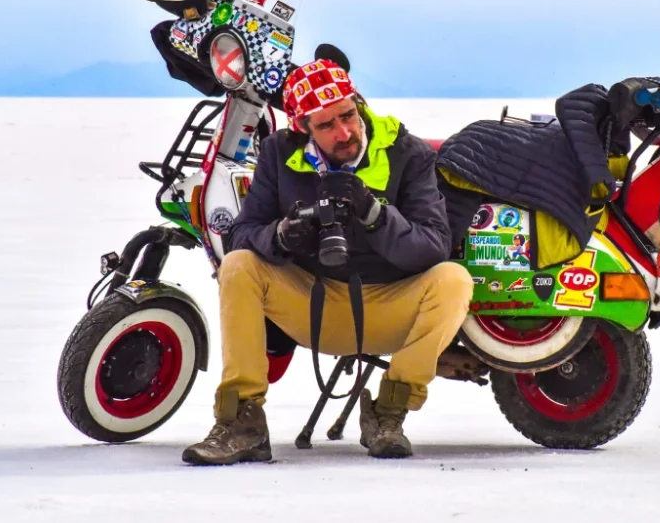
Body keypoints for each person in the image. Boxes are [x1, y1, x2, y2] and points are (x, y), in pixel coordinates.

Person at [181, 58, 475, 465]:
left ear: (357, 104)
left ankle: (388, 413)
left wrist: (374, 214)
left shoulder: (407, 153)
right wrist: (281, 235)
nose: (344, 133)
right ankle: (242, 421)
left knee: (453, 279)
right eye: (326, 125)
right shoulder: (278, 153)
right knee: (238, 267)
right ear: (302, 127)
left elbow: (432, 246)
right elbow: (241, 236)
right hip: (312, 306)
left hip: (394, 307)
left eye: (348, 116)